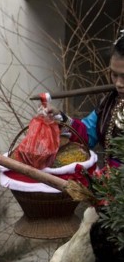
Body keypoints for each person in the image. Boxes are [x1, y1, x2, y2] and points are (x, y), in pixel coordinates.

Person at [49, 32, 124, 167]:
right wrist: (62, 119)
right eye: (114, 75)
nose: (118, 83)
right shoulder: (108, 104)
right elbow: (87, 136)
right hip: (109, 183)